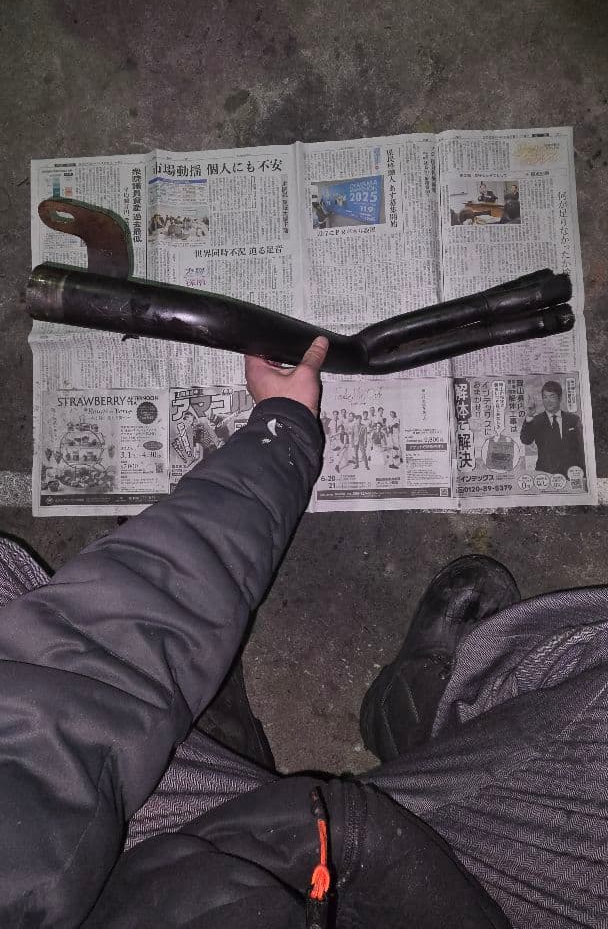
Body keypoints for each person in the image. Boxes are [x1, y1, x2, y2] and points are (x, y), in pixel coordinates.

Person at [0, 340, 606, 927]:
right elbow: (94, 668)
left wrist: (281, 434)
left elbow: (58, 716)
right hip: (453, 896)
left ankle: (218, 725)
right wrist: (282, 429)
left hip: (163, 873)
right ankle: (434, 713)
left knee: (123, 710)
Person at [520, 379, 585, 477]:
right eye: (545, 397)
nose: (548, 401)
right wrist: (529, 416)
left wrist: (584, 474)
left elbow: (581, 449)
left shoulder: (574, 419)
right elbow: (526, 440)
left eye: (552, 396)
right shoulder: (536, 420)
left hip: (570, 474)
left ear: (560, 398)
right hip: (545, 474)